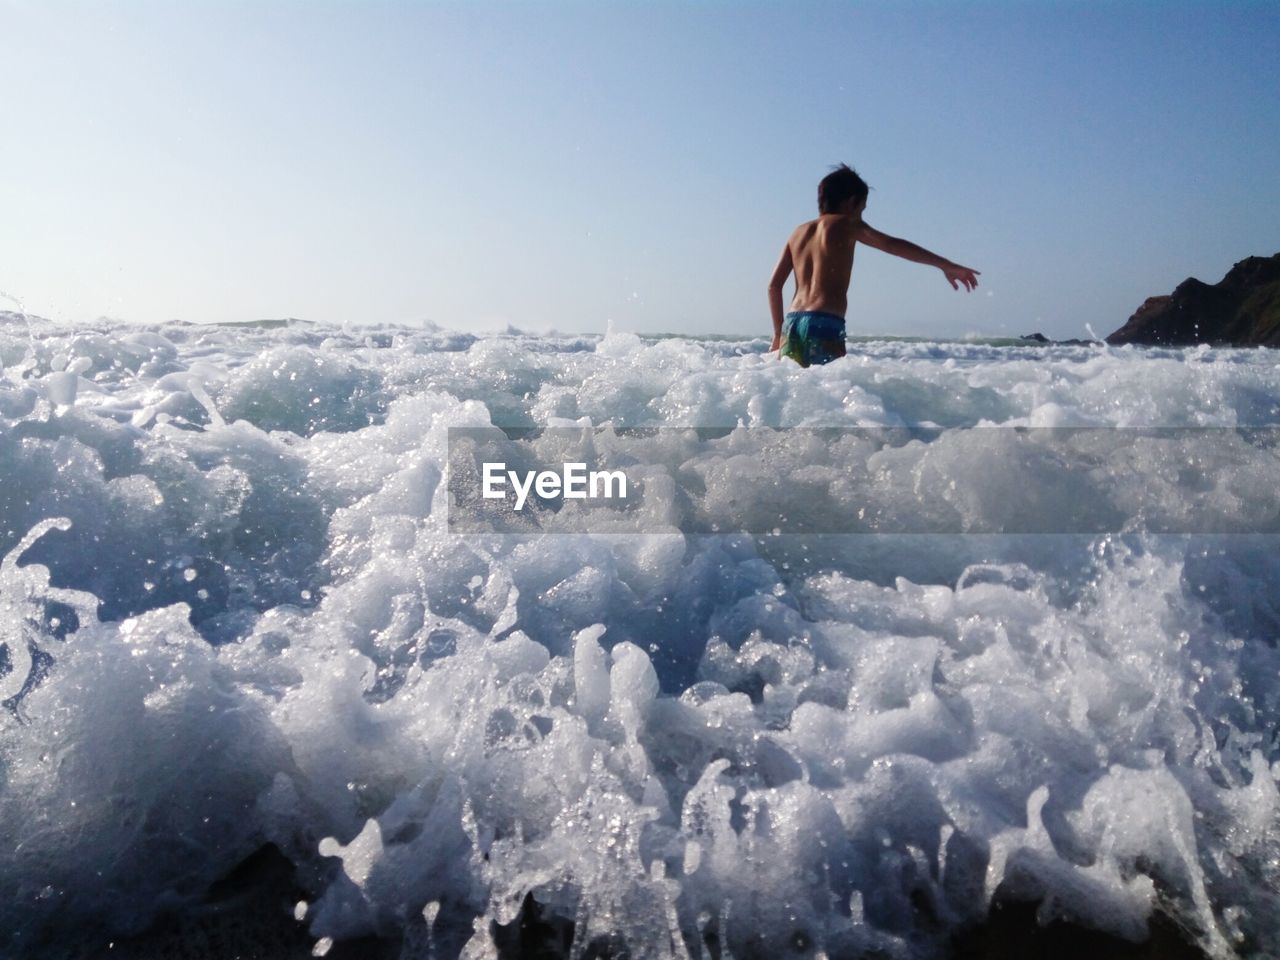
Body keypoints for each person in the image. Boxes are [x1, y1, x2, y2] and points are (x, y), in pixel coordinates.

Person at [768, 164, 980, 366]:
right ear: (851, 202)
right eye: (862, 209)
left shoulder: (797, 233)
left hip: (792, 323)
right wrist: (945, 265)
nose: (861, 215)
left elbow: (774, 286)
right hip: (824, 323)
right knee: (830, 395)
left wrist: (778, 333)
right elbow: (890, 244)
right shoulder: (846, 223)